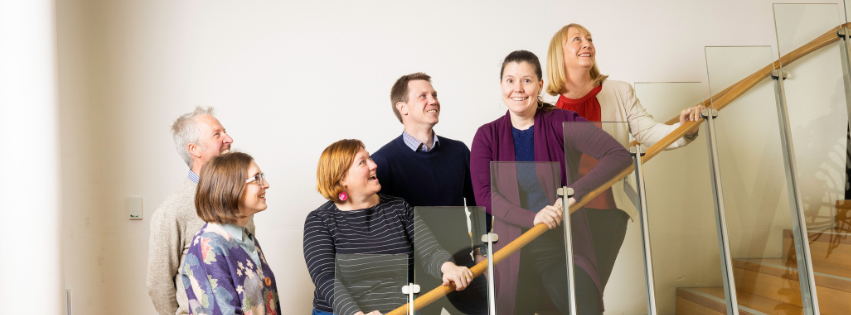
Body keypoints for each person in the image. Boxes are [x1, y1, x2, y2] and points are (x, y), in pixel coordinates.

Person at [471, 50, 632, 314]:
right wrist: (532, 219)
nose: (518, 89)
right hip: (512, 247)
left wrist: (573, 193)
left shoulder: (561, 122)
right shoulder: (487, 135)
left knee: (586, 306)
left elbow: (619, 156)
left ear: (540, 85)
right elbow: (484, 196)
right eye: (510, 80)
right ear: (502, 86)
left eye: (527, 80)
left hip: (559, 241)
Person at [545, 23, 702, 289]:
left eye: (589, 38)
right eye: (576, 39)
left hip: (608, 208)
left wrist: (685, 130)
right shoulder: (548, 109)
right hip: (567, 214)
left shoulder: (619, 91)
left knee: (590, 291)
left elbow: (649, 132)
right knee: (563, 294)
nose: (587, 43)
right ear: (558, 54)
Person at [304, 139, 474, 315]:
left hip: (399, 310)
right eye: (363, 162)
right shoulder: (319, 220)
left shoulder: (398, 207)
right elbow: (325, 278)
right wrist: (355, 313)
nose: (374, 164)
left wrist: (448, 267)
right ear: (342, 178)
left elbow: (429, 251)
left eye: (369, 158)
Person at [372, 72, 484, 314]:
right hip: (413, 272)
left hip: (462, 262)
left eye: (434, 95)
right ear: (403, 108)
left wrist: (480, 251)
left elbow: (477, 205)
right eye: (423, 96)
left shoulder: (459, 151)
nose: (433, 100)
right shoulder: (382, 162)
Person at [146, 107, 256, 315]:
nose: (229, 139)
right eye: (217, 134)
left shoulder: (240, 200)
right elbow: (158, 283)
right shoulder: (172, 210)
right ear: (194, 149)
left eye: (225, 131)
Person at [179, 152, 279, 314]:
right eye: (257, 178)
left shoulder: (247, 239)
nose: (266, 184)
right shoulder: (209, 246)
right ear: (231, 186)